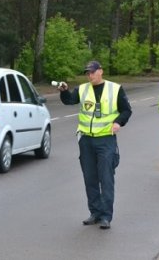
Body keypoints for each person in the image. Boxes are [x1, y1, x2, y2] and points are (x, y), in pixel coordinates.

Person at [57, 60, 132, 230]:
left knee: (106, 178)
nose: (89, 75)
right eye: (87, 73)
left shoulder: (115, 89)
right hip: (86, 140)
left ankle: (106, 216)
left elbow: (126, 110)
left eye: (92, 72)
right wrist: (64, 91)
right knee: (90, 177)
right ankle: (95, 212)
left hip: (106, 139)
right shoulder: (83, 89)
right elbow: (69, 100)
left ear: (101, 72)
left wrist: (119, 122)